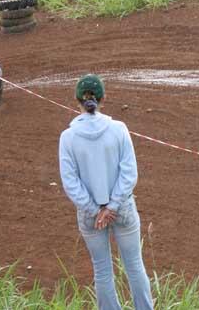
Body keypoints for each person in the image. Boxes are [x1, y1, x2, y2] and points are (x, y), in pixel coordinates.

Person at [59, 74, 153, 310]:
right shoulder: (119, 129)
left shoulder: (68, 137)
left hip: (90, 215)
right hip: (122, 209)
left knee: (102, 270)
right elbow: (129, 173)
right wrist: (112, 207)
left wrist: (96, 210)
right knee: (134, 265)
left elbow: (71, 183)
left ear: (76, 100)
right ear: (103, 98)